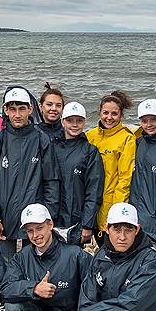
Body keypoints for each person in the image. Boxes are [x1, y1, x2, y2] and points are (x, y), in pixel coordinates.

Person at [0, 86, 61, 260]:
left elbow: (52, 181)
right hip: (4, 216)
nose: (17, 114)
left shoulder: (42, 140)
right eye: (12, 109)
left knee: (34, 266)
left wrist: (48, 216)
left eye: (22, 109)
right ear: (6, 111)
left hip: (35, 219)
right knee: (3, 268)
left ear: (30, 109)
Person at [51, 102, 104, 246]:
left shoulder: (90, 151)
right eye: (70, 120)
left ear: (84, 122)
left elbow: (94, 191)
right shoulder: (51, 147)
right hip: (52, 217)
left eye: (79, 120)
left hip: (77, 218)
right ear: (62, 122)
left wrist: (87, 225)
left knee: (74, 260)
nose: (74, 125)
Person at [86, 91, 137, 238]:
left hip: (110, 204)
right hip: (89, 203)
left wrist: (115, 212)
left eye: (114, 114)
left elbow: (124, 179)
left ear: (121, 115)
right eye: (105, 113)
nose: (109, 117)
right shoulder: (90, 136)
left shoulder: (127, 138)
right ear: (99, 112)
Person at [129, 99, 156, 240]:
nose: (149, 124)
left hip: (155, 215)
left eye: (153, 119)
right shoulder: (139, 143)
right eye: (144, 121)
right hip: (136, 212)